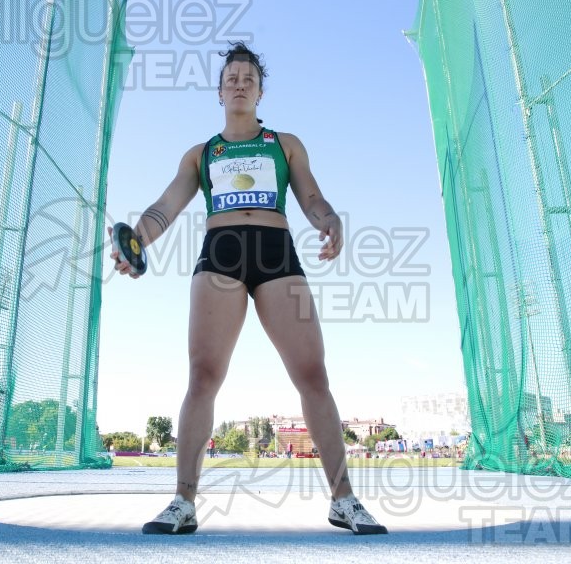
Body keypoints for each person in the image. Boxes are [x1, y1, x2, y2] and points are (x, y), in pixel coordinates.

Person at [110, 41, 387, 536]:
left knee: (313, 374)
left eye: (249, 78)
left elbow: (311, 196)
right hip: (221, 255)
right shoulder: (201, 154)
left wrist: (329, 221)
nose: (239, 83)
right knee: (203, 375)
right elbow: (165, 207)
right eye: (231, 78)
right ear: (219, 92)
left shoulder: (286, 144)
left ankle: (344, 500)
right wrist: (137, 240)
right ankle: (183, 503)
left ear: (261, 91)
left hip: (277, 254)